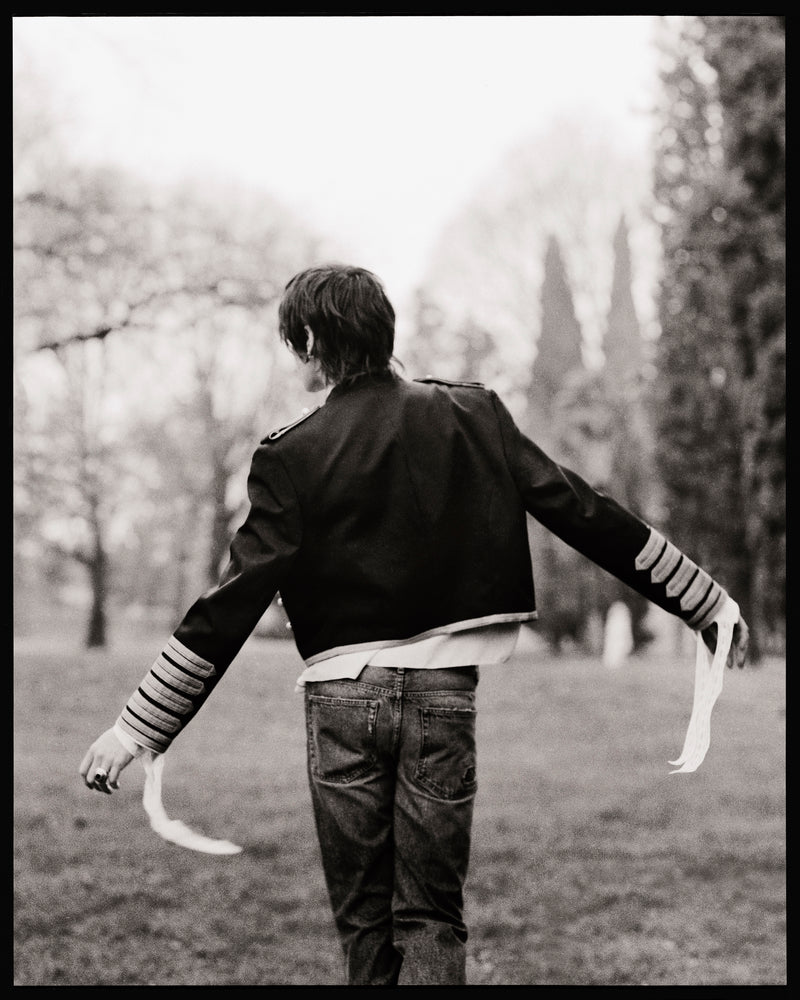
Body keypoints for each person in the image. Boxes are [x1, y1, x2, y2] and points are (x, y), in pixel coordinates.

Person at [80, 263, 749, 986]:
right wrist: (705, 600)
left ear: (311, 341)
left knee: (366, 920)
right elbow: (583, 511)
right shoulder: (475, 414)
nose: (294, 359)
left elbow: (233, 599)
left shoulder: (288, 454)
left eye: (293, 344)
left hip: (341, 703)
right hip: (442, 699)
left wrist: (136, 729)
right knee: (432, 916)